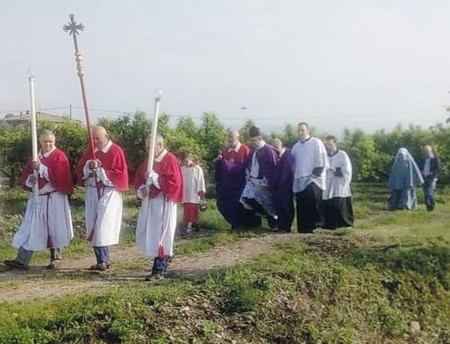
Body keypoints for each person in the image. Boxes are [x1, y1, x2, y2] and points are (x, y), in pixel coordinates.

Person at [4, 130, 73, 270]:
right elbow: (26, 175)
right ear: (40, 142)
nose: (47, 144)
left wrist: (41, 168)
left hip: (54, 198)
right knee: (30, 227)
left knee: (54, 227)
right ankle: (22, 259)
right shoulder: (36, 157)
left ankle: (56, 257)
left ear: (54, 142)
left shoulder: (59, 156)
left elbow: (60, 177)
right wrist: (31, 179)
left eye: (50, 142)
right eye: (44, 141)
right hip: (37, 198)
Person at [76, 126, 129, 271]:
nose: (95, 141)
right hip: (93, 191)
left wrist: (101, 170)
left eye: (98, 138)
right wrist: (89, 166)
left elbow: (119, 173)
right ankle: (102, 259)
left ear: (106, 136)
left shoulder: (115, 150)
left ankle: (103, 259)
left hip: (108, 192)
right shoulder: (91, 152)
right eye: (93, 139)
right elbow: (80, 168)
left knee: (102, 226)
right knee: (93, 224)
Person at [134, 134, 183, 280]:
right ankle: (165, 257)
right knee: (151, 234)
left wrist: (156, 179)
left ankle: (159, 270)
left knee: (161, 236)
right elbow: (139, 179)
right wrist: (143, 188)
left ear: (160, 145)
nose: (148, 151)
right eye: (147, 148)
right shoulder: (149, 162)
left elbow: (175, 183)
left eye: (150, 148)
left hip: (163, 203)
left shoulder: (170, 160)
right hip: (150, 203)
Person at [215, 130, 260, 229]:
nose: (230, 139)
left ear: (237, 137)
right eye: (229, 137)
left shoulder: (245, 150)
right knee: (224, 202)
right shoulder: (225, 151)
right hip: (228, 185)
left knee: (241, 203)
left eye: (232, 137)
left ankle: (246, 224)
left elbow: (249, 166)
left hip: (241, 183)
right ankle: (235, 223)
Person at [291, 122, 328, 233]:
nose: (301, 132)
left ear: (308, 130)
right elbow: (291, 161)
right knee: (302, 204)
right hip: (300, 178)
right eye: (299, 131)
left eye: (303, 130)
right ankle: (303, 227)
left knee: (313, 202)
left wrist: (316, 173)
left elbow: (321, 157)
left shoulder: (316, 142)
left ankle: (315, 226)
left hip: (313, 177)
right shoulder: (296, 146)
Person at [240, 126, 278, 230]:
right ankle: (254, 223)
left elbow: (273, 168)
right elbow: (249, 164)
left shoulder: (269, 151)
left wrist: (267, 182)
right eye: (251, 140)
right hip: (252, 180)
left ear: (260, 138)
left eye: (254, 140)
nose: (252, 143)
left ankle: (274, 225)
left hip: (264, 182)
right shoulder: (253, 151)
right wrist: (248, 173)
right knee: (246, 200)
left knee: (268, 203)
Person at [322, 136, 354, 229]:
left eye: (330, 144)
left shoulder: (342, 154)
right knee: (328, 202)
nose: (329, 147)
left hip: (340, 182)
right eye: (327, 145)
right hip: (328, 182)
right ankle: (330, 224)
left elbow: (347, 169)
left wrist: (336, 170)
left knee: (341, 203)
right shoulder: (325, 155)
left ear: (335, 143)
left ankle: (345, 223)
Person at [271, 138, 294, 232]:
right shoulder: (277, 155)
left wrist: (280, 183)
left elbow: (287, 170)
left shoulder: (287, 154)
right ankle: (281, 225)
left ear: (281, 145)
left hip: (286, 185)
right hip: (277, 185)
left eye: (276, 147)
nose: (275, 149)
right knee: (278, 205)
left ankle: (287, 226)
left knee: (286, 206)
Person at [181, 152, 206, 236]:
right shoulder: (183, 169)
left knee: (192, 211)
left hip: (193, 193)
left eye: (187, 161)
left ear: (191, 159)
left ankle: (189, 227)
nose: (186, 162)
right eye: (184, 161)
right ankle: (195, 224)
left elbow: (200, 180)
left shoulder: (197, 169)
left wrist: (201, 191)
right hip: (185, 193)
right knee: (187, 211)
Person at [418, 145, 440, 211]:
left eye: (427, 151)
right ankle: (428, 207)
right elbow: (419, 167)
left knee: (429, 192)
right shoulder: (422, 159)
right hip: (424, 177)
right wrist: (421, 172)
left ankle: (432, 207)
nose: (426, 153)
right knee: (425, 193)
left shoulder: (435, 159)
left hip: (432, 178)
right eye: (425, 152)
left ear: (430, 151)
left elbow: (438, 169)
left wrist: (431, 173)